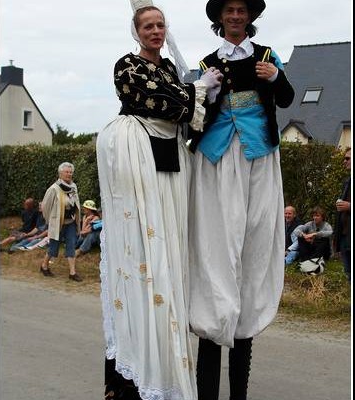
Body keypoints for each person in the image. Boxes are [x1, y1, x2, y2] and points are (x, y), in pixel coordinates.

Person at [96, 1, 222, 399]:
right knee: (141, 246)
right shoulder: (127, 66)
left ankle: (167, 349)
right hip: (138, 155)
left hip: (170, 158)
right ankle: (134, 361)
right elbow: (160, 100)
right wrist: (198, 89)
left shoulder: (169, 68)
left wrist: (196, 92)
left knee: (169, 242)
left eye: (160, 25)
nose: (155, 31)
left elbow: (182, 109)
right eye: (148, 26)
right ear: (136, 32)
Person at [187, 1, 295, 399]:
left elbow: (285, 99)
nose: (235, 16)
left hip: (257, 155)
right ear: (220, 18)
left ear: (249, 17)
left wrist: (276, 77)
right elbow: (196, 114)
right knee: (217, 245)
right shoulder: (207, 61)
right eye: (229, 10)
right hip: (216, 156)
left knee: (253, 238)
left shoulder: (268, 56)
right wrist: (206, 90)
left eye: (241, 10)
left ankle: (238, 390)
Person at [39, 162, 83, 282]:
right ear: (60, 173)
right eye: (67, 172)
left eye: (70, 172)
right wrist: (51, 221)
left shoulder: (74, 187)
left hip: (71, 223)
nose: (69, 174)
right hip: (58, 224)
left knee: (71, 246)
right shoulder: (54, 188)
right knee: (53, 247)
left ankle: (72, 273)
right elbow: (45, 206)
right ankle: (44, 266)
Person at [292, 206, 333, 274]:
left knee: (323, 239)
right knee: (300, 238)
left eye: (317, 216)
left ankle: (314, 261)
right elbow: (296, 231)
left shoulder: (326, 225)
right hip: (311, 248)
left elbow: (330, 232)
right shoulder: (309, 224)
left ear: (322, 217)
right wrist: (304, 235)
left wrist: (315, 234)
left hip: (323, 251)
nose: (315, 218)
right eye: (314, 216)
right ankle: (305, 260)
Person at [333, 147, 351, 283]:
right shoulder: (347, 182)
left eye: (348, 158)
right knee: (348, 272)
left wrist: (349, 206)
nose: (344, 162)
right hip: (345, 234)